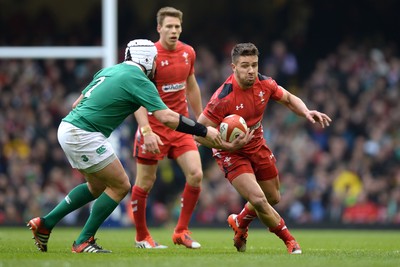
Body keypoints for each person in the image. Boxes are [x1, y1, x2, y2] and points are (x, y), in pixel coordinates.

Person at [27, 39, 221, 253]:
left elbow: (76, 103)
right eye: (154, 60)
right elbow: (166, 117)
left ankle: (45, 224)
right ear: (147, 59)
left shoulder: (109, 70)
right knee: (121, 185)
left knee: (97, 187)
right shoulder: (139, 78)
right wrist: (203, 130)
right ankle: (84, 240)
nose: (156, 65)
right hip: (85, 133)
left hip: (68, 127)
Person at [195, 42, 332, 254]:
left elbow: (287, 98)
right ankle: (290, 241)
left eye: (254, 65)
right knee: (258, 199)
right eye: (244, 66)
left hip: (257, 145)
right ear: (233, 67)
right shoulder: (222, 97)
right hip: (231, 152)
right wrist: (227, 144)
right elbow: (198, 132)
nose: (251, 70)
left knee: (273, 197)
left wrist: (305, 111)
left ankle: (240, 222)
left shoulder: (264, 83)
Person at [130, 7, 204, 249]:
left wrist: (200, 119)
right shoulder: (148, 55)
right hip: (154, 126)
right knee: (145, 183)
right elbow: (135, 96)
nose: (174, 30)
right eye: (169, 26)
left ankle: (181, 231)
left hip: (180, 125)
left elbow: (191, 86)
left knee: (196, 174)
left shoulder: (188, 53)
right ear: (159, 28)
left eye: (177, 26)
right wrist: (145, 130)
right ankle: (141, 236)